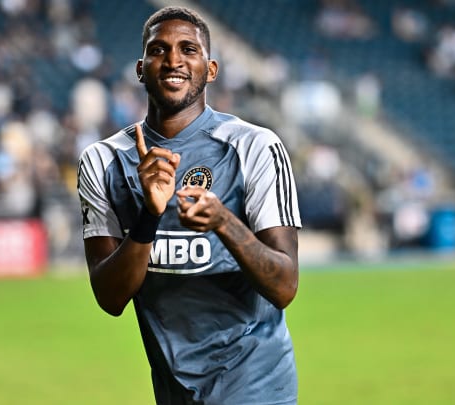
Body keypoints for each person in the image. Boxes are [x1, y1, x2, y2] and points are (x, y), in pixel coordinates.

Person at [76, 6, 302, 405]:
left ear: (210, 69)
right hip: (173, 390)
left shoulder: (254, 147)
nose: (174, 60)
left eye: (188, 49)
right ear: (140, 68)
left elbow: (284, 286)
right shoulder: (103, 161)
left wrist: (223, 221)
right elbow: (110, 298)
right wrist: (149, 214)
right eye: (159, 50)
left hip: (256, 384)